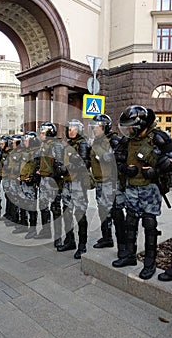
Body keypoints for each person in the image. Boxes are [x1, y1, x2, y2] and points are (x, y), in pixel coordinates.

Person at [112, 105, 172, 280]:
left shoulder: (159, 138)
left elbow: (170, 159)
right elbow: (116, 157)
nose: (128, 130)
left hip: (150, 188)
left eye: (130, 126)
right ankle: (130, 255)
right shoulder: (128, 140)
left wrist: (156, 171)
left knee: (149, 223)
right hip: (132, 186)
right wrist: (124, 168)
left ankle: (150, 262)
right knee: (131, 220)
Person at [57, 119, 91, 259]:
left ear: (80, 130)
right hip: (67, 182)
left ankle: (82, 245)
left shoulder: (82, 144)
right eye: (69, 128)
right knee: (66, 211)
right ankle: (69, 240)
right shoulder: (69, 144)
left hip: (78, 183)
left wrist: (67, 168)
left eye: (74, 128)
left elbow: (84, 163)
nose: (70, 131)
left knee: (80, 214)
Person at [89, 114, 118, 249]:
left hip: (108, 182)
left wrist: (96, 149)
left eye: (96, 127)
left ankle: (114, 241)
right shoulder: (97, 140)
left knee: (109, 211)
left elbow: (109, 158)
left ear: (104, 127)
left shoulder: (112, 140)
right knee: (102, 210)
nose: (94, 129)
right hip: (100, 182)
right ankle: (106, 237)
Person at [34, 122, 64, 246]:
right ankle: (46, 231)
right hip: (43, 180)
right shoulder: (43, 145)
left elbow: (60, 164)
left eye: (42, 132)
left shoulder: (56, 145)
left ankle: (58, 237)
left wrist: (53, 177)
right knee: (43, 206)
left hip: (53, 181)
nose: (40, 134)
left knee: (55, 208)